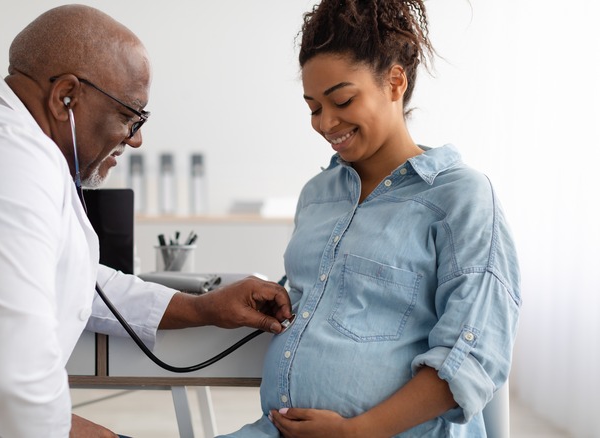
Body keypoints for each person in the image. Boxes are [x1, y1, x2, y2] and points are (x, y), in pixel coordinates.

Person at [0, 5, 292, 438]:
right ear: (66, 97)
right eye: (130, 117)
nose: (135, 141)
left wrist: (204, 308)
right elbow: (14, 380)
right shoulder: (2, 157)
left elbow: (72, 278)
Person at [222, 0, 521, 437]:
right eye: (312, 107)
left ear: (395, 82)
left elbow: (471, 355)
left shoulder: (462, 198)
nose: (325, 123)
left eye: (341, 100)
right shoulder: (317, 196)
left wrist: (357, 431)